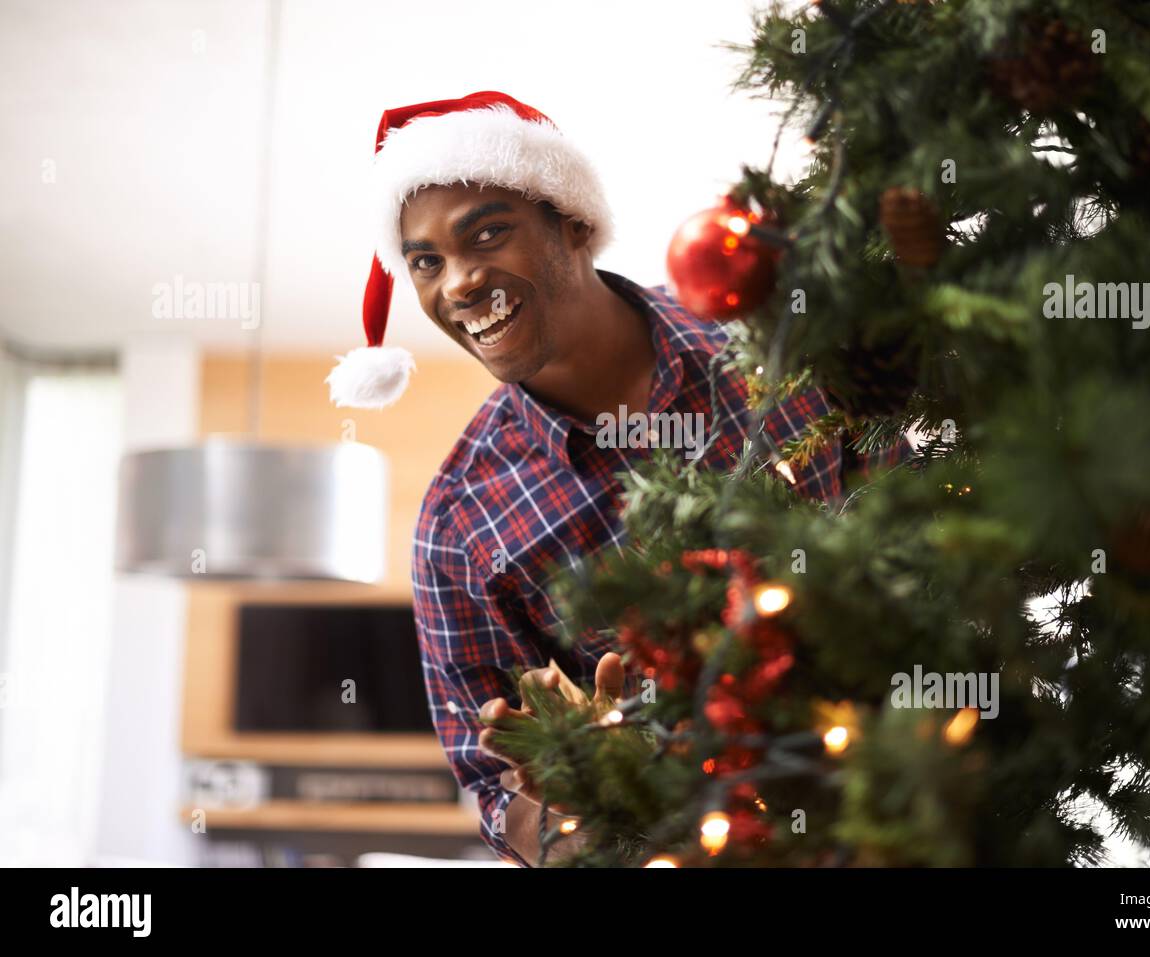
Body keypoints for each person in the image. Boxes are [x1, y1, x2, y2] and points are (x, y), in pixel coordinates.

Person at [327, 91, 911, 866]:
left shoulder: (768, 338)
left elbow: (918, 516)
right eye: (425, 261)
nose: (459, 283)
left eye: (488, 232)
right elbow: (497, 798)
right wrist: (586, 802)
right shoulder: (459, 527)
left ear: (572, 221)